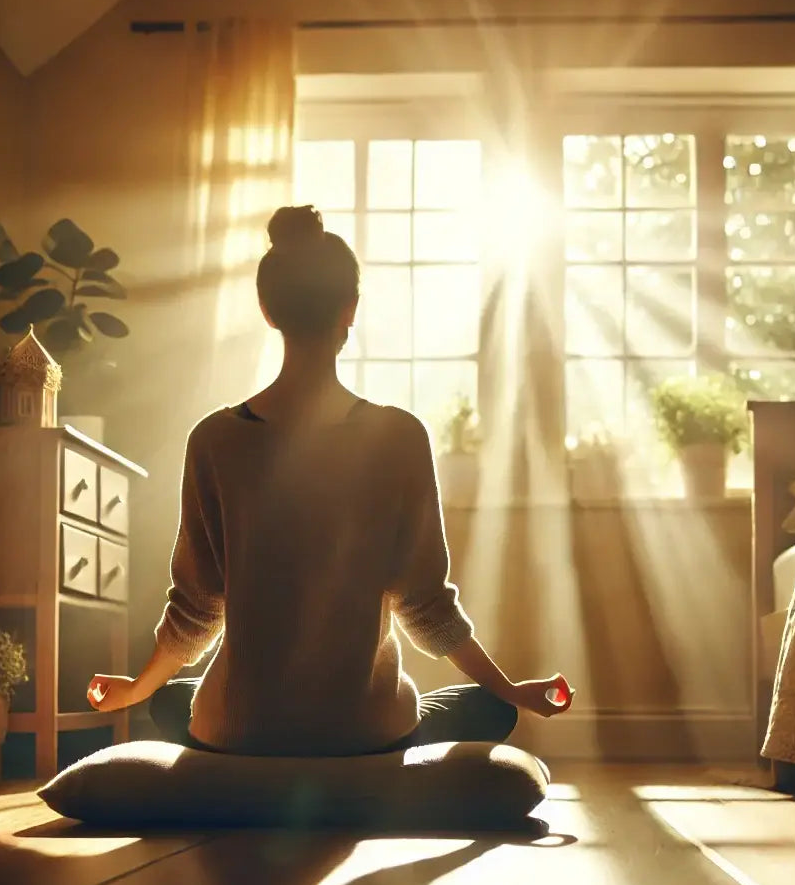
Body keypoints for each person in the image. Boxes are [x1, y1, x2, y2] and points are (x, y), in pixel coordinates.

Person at [86, 205, 574, 756]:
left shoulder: (214, 440)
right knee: (488, 708)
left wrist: (135, 689)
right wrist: (508, 688)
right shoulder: (399, 436)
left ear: (267, 311)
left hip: (241, 733)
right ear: (351, 308)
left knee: (166, 702)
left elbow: (197, 608)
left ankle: (228, 737)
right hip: (363, 734)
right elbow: (426, 603)